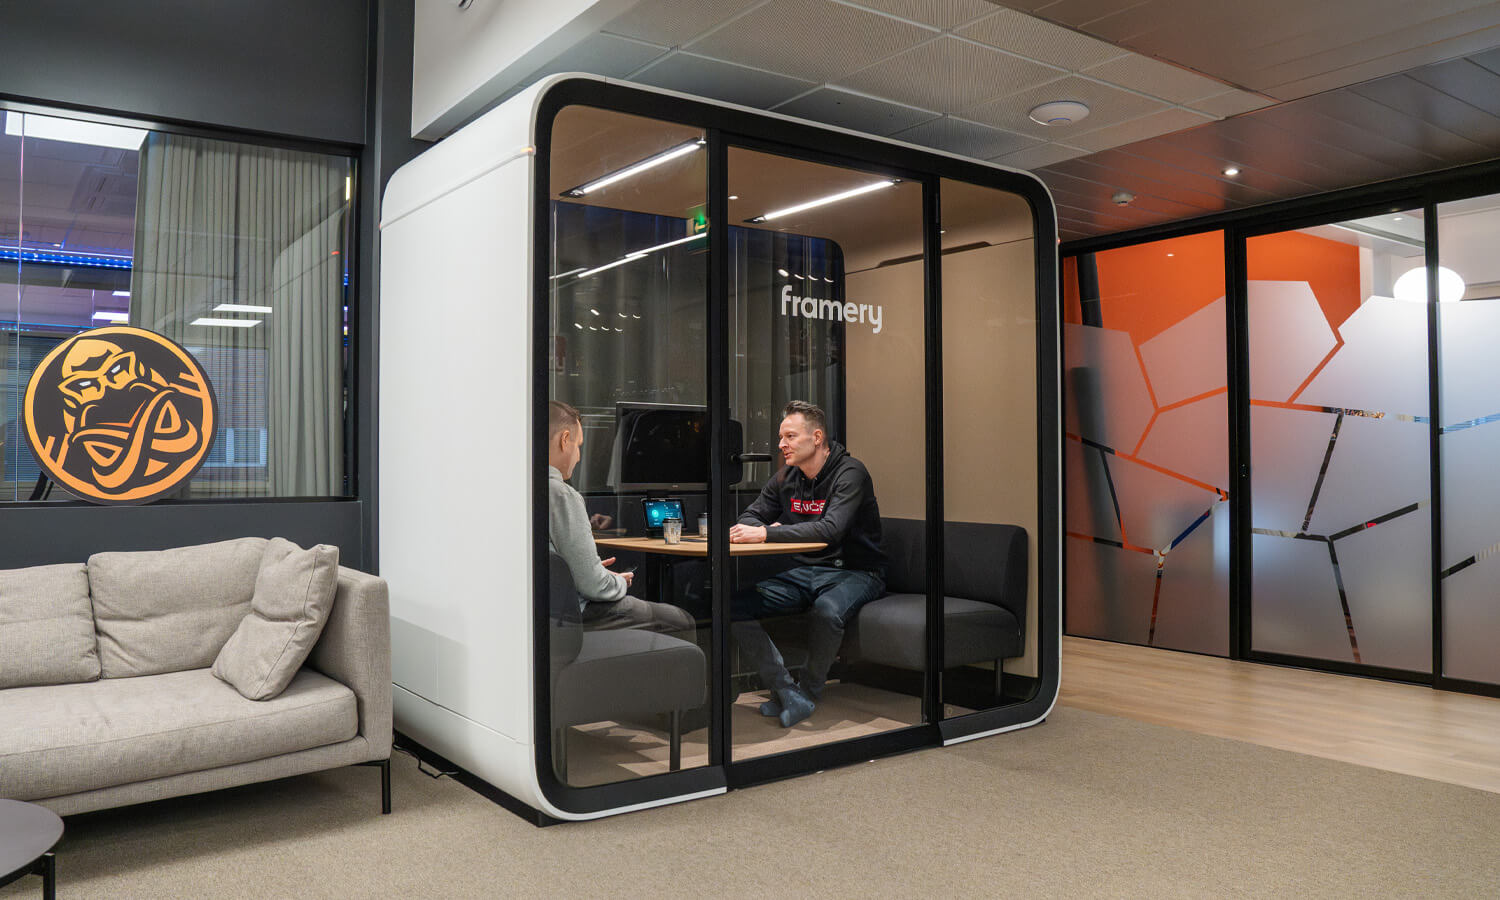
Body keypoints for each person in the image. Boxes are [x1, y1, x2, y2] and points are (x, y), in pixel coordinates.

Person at [730, 400, 886, 727]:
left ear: (816, 438)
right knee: (733, 607)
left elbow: (831, 529)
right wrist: (763, 529)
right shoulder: (788, 476)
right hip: (804, 572)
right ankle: (787, 690)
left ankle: (809, 692)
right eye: (780, 437)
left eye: (789, 436)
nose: (781, 444)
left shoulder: (850, 473)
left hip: (856, 571)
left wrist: (770, 534)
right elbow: (750, 517)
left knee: (827, 611)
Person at [548, 400, 695, 632]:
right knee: (680, 619)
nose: (578, 457)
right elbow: (594, 586)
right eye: (578, 446)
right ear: (564, 440)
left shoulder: (525, 491)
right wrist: (618, 580)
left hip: (552, 612)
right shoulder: (562, 494)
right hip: (576, 614)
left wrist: (594, 571)